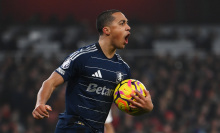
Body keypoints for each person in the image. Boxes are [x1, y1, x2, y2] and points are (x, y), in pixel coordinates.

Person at [32, 9, 153, 133]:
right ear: (107, 30)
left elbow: (127, 104)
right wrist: (40, 103)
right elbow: (50, 82)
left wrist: (146, 108)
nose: (128, 27)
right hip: (72, 128)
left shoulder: (123, 69)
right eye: (122, 23)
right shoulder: (82, 57)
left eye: (127, 23)